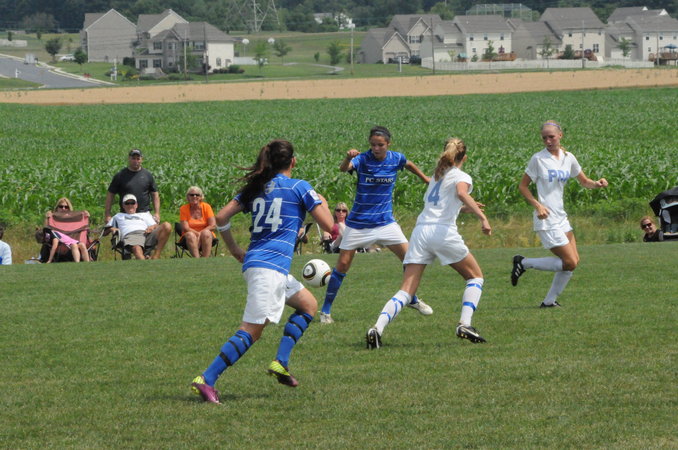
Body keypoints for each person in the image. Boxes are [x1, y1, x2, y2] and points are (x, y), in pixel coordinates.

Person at [190, 139, 334, 404]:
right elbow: (329, 225)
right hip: (270, 269)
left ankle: (281, 362)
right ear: (293, 161)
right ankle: (207, 379)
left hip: (264, 265)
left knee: (308, 305)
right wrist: (321, 201)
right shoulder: (299, 187)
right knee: (252, 331)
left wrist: (234, 248)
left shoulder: (256, 187)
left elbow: (221, 218)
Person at [366, 138, 491, 348]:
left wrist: (465, 209)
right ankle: (465, 324)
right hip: (442, 232)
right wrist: (483, 218)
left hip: (420, 232)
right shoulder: (461, 176)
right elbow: (461, 193)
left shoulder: (437, 176)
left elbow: (443, 205)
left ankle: (377, 328)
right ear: (464, 158)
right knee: (475, 277)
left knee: (407, 290)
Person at [319, 126, 433, 324]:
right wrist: (347, 158)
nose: (376, 148)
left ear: (388, 144)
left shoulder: (396, 158)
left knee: (411, 260)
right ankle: (325, 312)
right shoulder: (363, 159)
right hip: (358, 224)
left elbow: (408, 163)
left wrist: (425, 178)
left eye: (380, 145)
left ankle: (412, 298)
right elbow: (344, 168)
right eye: (373, 145)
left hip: (385, 223)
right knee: (343, 265)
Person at [511, 121, 608, 307]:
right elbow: (522, 186)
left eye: (551, 137)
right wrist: (537, 205)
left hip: (561, 217)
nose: (548, 141)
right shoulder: (538, 159)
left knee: (573, 261)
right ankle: (523, 263)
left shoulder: (568, 157)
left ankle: (549, 301)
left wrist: (597, 184)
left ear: (560, 136)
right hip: (546, 219)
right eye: (544, 138)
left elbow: (584, 181)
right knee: (569, 262)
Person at [104, 194, 171, 260]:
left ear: (136, 205)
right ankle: (145, 264)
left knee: (167, 226)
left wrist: (152, 227)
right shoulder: (118, 216)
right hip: (131, 235)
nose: (130, 205)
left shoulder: (144, 214)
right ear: (123, 205)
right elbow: (104, 232)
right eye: (127, 203)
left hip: (146, 233)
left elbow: (156, 225)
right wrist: (111, 229)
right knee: (137, 248)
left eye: (132, 203)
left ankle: (156, 256)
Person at [104, 149, 160, 224]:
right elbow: (110, 195)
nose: (136, 161)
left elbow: (155, 194)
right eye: (133, 158)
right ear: (129, 159)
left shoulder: (147, 175)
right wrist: (107, 214)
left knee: (157, 229)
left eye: (138, 159)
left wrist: (157, 213)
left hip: (144, 214)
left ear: (141, 160)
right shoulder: (120, 175)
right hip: (125, 214)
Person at [42, 197, 91, 263]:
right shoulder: (52, 218)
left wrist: (86, 217)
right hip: (60, 243)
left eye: (66, 207)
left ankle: (88, 264)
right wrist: (47, 219)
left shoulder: (74, 218)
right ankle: (78, 263)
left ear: (69, 208)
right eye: (61, 206)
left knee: (82, 244)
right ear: (57, 208)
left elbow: (85, 229)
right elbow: (46, 233)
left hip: (74, 240)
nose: (63, 209)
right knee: (74, 245)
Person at [178, 186, 216, 257]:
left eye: (197, 195)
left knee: (206, 233)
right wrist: (197, 234)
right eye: (191, 195)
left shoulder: (207, 207)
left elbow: (213, 225)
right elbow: (185, 228)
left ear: (201, 197)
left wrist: (200, 234)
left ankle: (206, 259)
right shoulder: (183, 208)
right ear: (188, 197)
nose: (194, 196)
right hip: (188, 237)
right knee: (190, 235)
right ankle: (197, 260)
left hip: (206, 236)